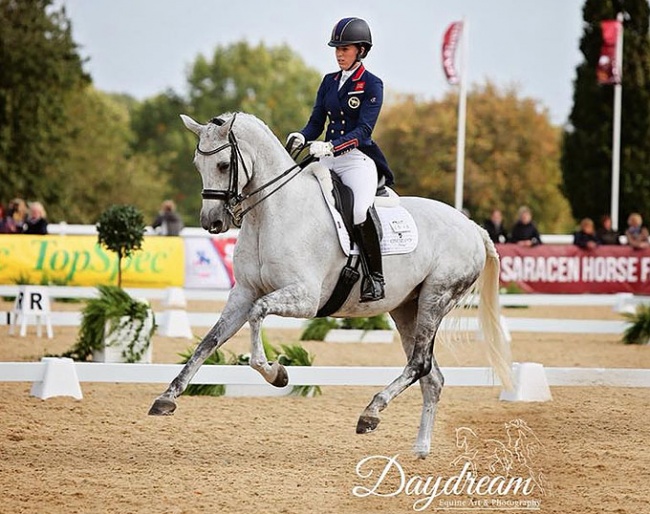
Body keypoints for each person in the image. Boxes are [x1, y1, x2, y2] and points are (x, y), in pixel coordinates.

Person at [286, 17, 394, 302]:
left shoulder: (372, 84)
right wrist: (302, 136)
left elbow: (363, 131)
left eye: (345, 48)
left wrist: (332, 146)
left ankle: (375, 278)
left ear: (360, 50)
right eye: (336, 48)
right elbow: (316, 122)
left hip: (356, 159)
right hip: (326, 157)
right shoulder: (328, 82)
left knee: (359, 210)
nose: (339, 53)